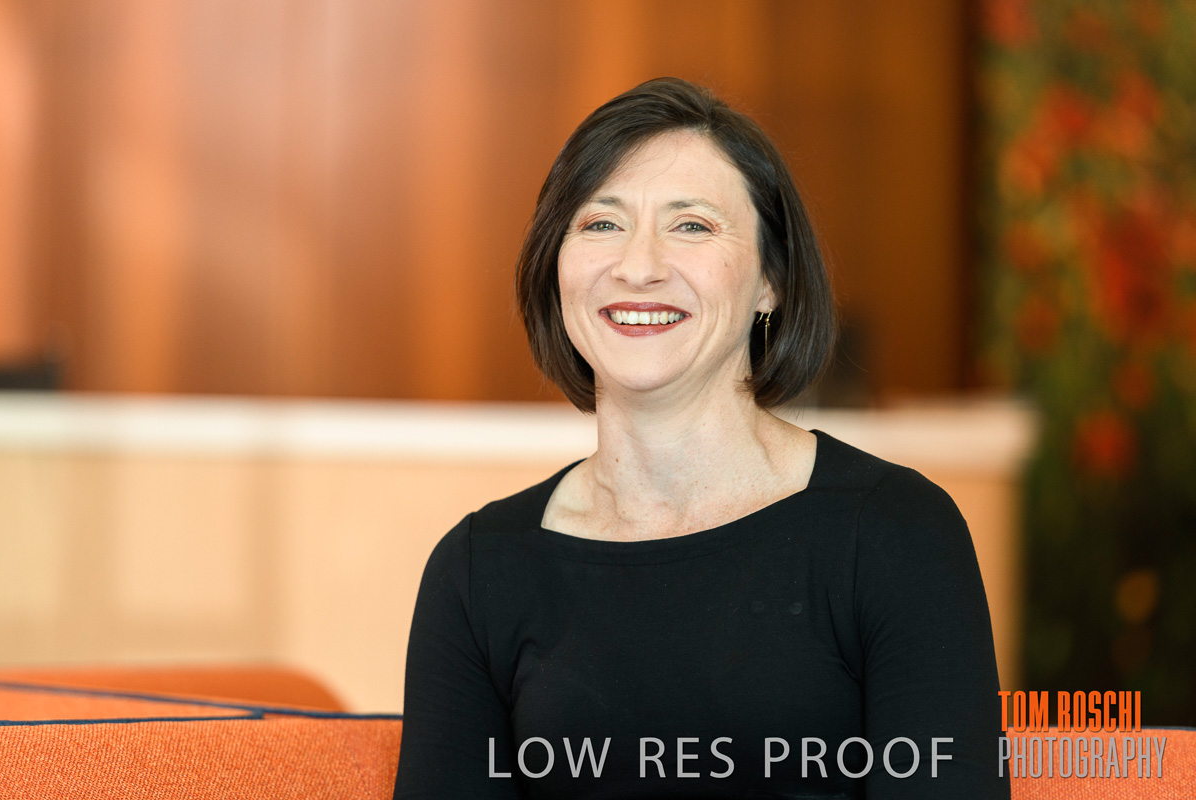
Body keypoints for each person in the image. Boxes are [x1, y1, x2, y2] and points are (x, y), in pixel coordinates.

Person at [393, 77, 1008, 799]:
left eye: (692, 226)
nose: (639, 267)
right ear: (554, 268)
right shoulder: (477, 573)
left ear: (771, 280)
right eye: (601, 224)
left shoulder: (896, 533)